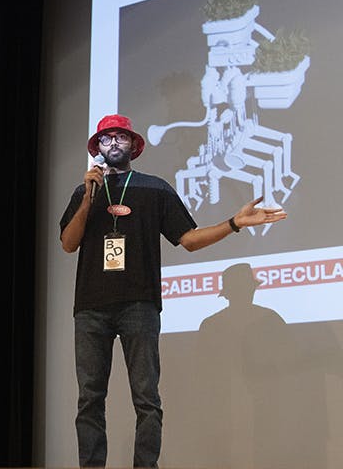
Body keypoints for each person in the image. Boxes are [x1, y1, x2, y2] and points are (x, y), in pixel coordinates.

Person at [59, 114, 287, 468]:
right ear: (97, 148)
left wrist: (233, 223)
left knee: (146, 398)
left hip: (139, 304)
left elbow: (189, 240)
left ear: (134, 145)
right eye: (106, 139)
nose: (114, 144)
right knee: (89, 398)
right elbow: (68, 244)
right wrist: (88, 199)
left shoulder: (156, 189)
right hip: (90, 306)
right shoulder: (84, 191)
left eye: (121, 137)